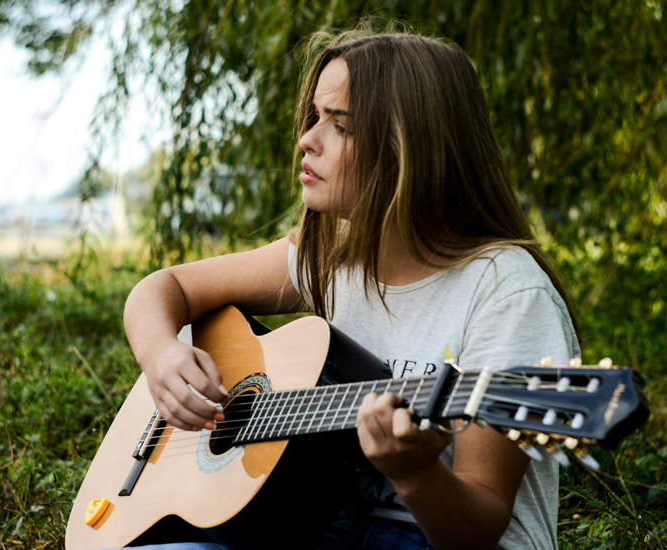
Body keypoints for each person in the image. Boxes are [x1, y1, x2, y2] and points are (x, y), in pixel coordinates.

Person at [122, 27, 581, 550]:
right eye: (314, 116)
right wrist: (162, 357)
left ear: (411, 150)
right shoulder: (331, 256)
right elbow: (164, 287)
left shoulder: (508, 294)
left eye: (339, 126)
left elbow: (477, 529)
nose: (306, 139)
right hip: (322, 528)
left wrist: (415, 475)